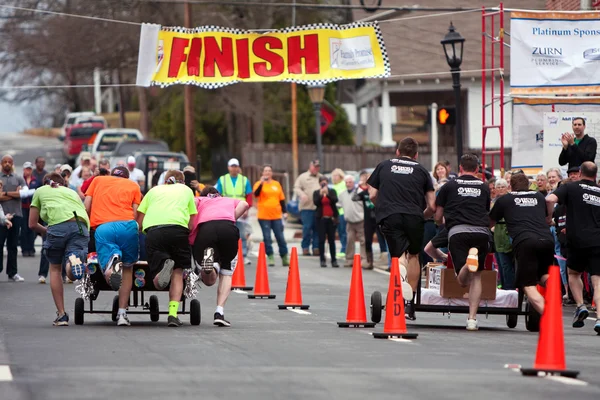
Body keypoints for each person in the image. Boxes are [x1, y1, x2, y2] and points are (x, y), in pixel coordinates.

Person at [367, 137, 436, 320]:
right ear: (416, 154)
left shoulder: (384, 165)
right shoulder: (421, 170)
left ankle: (401, 275)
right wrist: (422, 216)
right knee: (413, 254)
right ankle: (408, 302)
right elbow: (433, 205)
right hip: (414, 215)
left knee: (398, 254)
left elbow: (373, 194)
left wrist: (381, 207)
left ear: (397, 152)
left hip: (390, 215)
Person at [435, 154, 491, 331]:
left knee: (462, 281)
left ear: (460, 168)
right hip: (481, 233)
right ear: (477, 170)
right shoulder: (484, 186)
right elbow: (486, 210)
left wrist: (441, 222)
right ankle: (472, 319)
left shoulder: (449, 186)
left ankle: (467, 264)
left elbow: (438, 216)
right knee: (477, 276)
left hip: (458, 232)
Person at [136, 170, 197, 327]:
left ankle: (162, 271)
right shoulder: (187, 191)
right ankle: (172, 314)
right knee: (178, 271)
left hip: (154, 231)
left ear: (165, 180)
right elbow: (192, 222)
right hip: (178, 230)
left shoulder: (153, 190)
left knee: (157, 274)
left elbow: (139, 221)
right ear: (182, 181)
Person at [28, 172, 90, 326]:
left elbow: (32, 224)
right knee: (72, 258)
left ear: (45, 183)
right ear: (63, 183)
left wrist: (47, 231)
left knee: (55, 268)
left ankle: (62, 315)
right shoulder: (71, 192)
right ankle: (73, 262)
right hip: (80, 225)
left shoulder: (41, 191)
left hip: (57, 226)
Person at [546, 161, 600, 333]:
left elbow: (549, 198)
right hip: (597, 240)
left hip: (576, 239)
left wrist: (548, 217)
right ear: (595, 175)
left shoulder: (572, 188)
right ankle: (599, 318)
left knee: (573, 273)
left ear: (580, 173)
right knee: (597, 281)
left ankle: (580, 305)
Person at [84, 166, 142, 326]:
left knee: (107, 265)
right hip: (128, 226)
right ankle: (122, 314)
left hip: (104, 227)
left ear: (112, 174)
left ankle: (112, 265)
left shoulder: (98, 180)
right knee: (128, 270)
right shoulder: (134, 186)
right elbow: (136, 212)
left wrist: (89, 226)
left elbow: (86, 206)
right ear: (127, 176)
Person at [489, 173, 552, 315]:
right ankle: (554, 288)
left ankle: (550, 315)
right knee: (543, 274)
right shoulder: (539, 197)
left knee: (527, 284)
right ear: (528, 185)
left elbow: (490, 222)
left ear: (510, 186)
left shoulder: (505, 199)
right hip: (546, 240)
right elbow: (546, 213)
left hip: (525, 242)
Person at [189, 186, 249, 327]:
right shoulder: (227, 199)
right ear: (219, 195)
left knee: (209, 281)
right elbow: (245, 204)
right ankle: (219, 312)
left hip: (206, 229)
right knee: (226, 273)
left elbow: (190, 203)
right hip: (227, 227)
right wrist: (230, 217)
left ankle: (209, 267)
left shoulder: (199, 199)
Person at [215, 158, 253, 258]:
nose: (234, 168)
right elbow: (217, 195)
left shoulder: (244, 180)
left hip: (241, 210)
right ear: (228, 167)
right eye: (232, 166)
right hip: (226, 210)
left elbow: (249, 196)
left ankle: (243, 255)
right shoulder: (222, 179)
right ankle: (227, 254)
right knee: (227, 233)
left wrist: (246, 209)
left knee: (241, 233)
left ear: (238, 167)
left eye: (236, 166)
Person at [253, 164, 289, 267]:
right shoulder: (259, 184)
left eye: (269, 171)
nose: (267, 172)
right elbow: (256, 194)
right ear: (263, 173)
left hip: (276, 215)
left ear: (271, 173)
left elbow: (281, 199)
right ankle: (270, 256)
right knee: (267, 237)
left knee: (280, 237)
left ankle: (284, 256)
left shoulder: (276, 184)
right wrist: (261, 183)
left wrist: (285, 211)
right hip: (264, 216)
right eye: (265, 171)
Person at [0, 155, 26, 282]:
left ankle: (12, 272)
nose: (7, 164)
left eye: (9, 162)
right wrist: (13, 195)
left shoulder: (19, 178)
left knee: (13, 245)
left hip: (16, 215)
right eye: (4, 162)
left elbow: (22, 194)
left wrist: (4, 193)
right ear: (1, 163)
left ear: (12, 163)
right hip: (1, 216)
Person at [293, 160, 322, 256]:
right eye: (314, 166)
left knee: (317, 228)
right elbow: (296, 188)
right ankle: (305, 247)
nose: (316, 169)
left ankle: (316, 247)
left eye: (318, 167)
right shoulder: (303, 177)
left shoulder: (321, 177)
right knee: (307, 228)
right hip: (306, 207)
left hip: (318, 207)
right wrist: (302, 194)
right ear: (310, 166)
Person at [491, 178, 515, 290]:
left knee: (506, 264)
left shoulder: (509, 200)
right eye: (498, 187)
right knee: (500, 263)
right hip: (496, 234)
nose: (500, 189)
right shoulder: (492, 202)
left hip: (506, 231)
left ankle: (509, 288)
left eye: (503, 187)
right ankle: (504, 286)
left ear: (507, 188)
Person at [338, 175, 366, 268]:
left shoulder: (360, 192)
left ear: (353, 183)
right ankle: (349, 259)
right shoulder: (342, 194)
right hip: (349, 221)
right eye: (346, 182)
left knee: (363, 241)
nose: (348, 184)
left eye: (350, 182)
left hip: (360, 220)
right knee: (350, 240)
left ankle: (364, 260)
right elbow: (338, 205)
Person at [313, 176, 340, 268]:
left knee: (332, 240)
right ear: (319, 183)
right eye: (322, 183)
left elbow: (335, 200)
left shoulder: (332, 191)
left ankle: (334, 260)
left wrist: (327, 194)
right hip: (321, 219)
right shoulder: (316, 192)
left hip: (331, 218)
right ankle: (322, 260)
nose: (323, 184)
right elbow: (316, 203)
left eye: (325, 183)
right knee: (321, 240)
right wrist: (321, 195)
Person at [21, 162, 38, 257]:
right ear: (23, 170)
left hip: (32, 207)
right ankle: (24, 249)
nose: (28, 171)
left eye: (29, 169)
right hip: (22, 207)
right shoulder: (20, 180)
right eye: (26, 169)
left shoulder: (35, 181)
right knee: (24, 228)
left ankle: (31, 248)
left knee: (32, 228)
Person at [331, 168, 347, 258]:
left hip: (343, 211)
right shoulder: (334, 187)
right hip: (336, 212)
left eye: (336, 175)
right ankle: (343, 247)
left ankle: (344, 249)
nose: (334, 177)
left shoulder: (344, 184)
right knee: (340, 232)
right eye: (333, 176)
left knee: (344, 231)